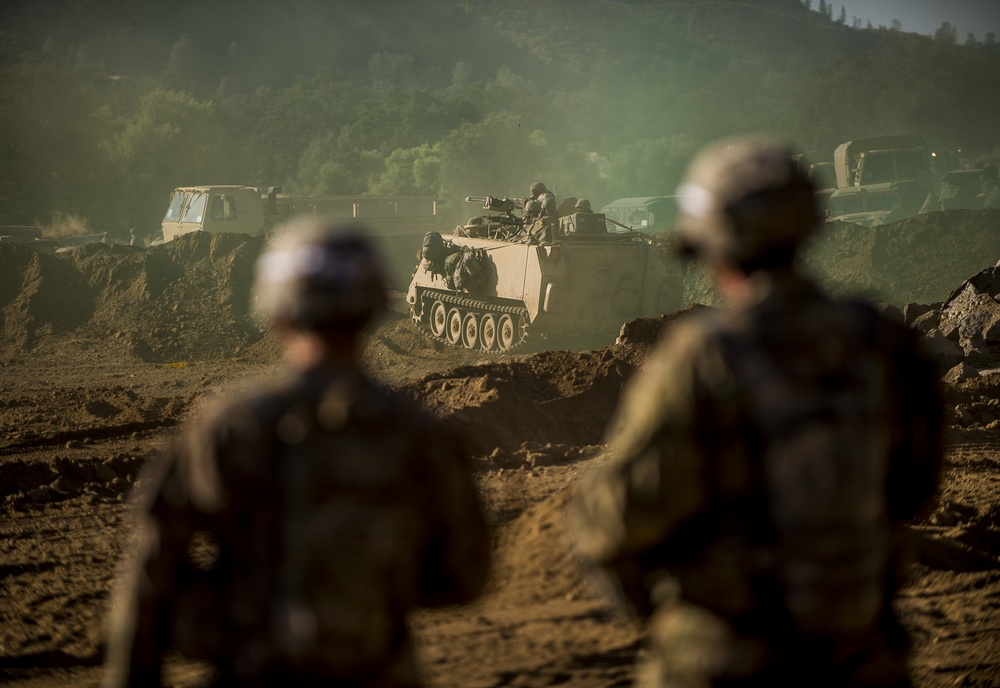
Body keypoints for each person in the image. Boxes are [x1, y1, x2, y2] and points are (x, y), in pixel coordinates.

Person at [570, 138, 942, 688]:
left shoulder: (703, 357)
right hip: (863, 656)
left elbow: (614, 520)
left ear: (714, 246)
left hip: (729, 659)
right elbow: (916, 490)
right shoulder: (885, 344)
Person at [105, 218, 490, 688]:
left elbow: (150, 572)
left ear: (278, 312)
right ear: (369, 311)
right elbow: (462, 578)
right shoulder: (420, 436)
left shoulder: (228, 426)